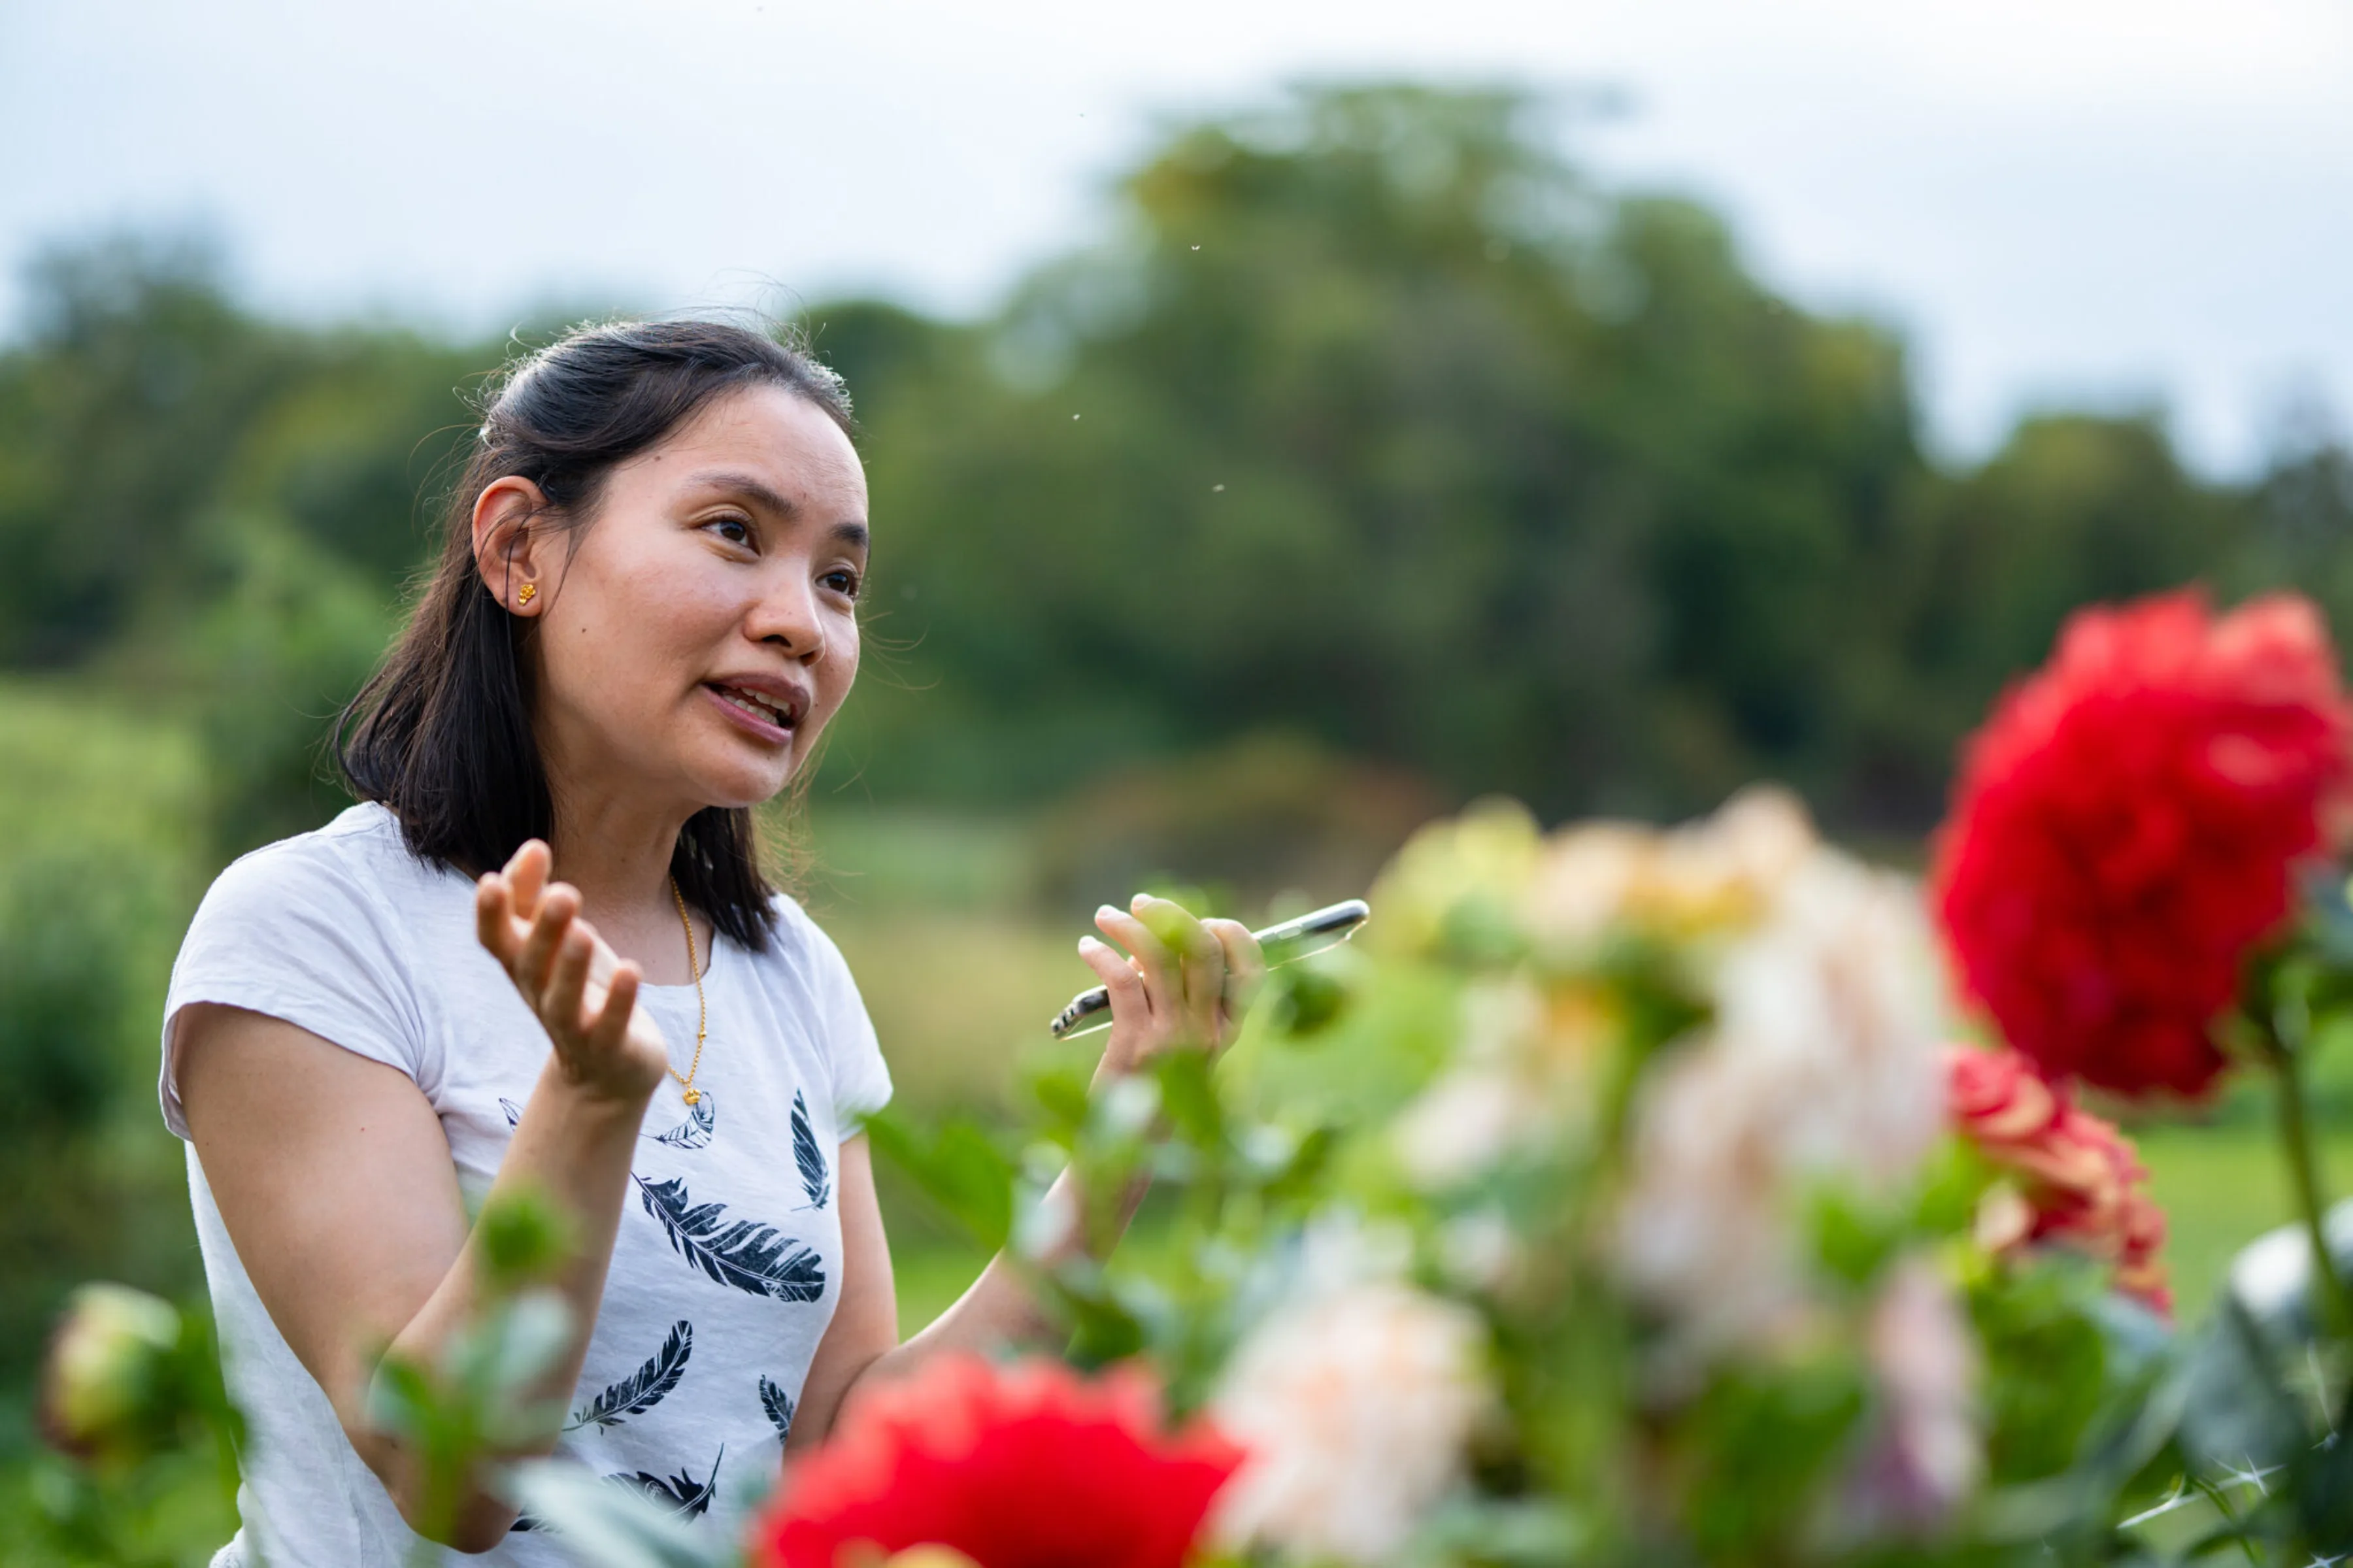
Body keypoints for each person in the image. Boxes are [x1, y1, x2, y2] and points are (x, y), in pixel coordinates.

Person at [160, 320, 1265, 1565]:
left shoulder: (791, 972)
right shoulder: (315, 932)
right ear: (520, 547)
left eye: (838, 580)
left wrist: (1129, 1127)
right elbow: (444, 1470)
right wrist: (589, 1102)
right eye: (736, 532)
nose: (802, 623)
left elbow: (841, 1450)